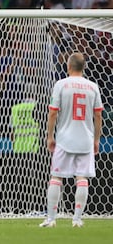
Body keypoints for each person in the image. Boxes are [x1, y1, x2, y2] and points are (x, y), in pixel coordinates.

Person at [39, 52, 103, 228]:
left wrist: (50, 136)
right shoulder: (93, 86)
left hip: (65, 139)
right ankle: (77, 219)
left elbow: (53, 112)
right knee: (82, 178)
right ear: (84, 67)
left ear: (68, 66)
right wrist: (96, 139)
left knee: (56, 177)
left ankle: (51, 219)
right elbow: (98, 115)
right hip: (85, 139)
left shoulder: (61, 84)